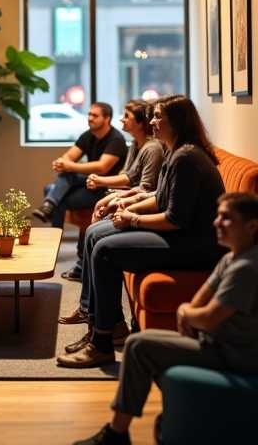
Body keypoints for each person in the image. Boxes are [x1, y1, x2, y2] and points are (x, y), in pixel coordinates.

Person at [72, 191, 258, 445]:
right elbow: (197, 305)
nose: (216, 222)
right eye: (218, 216)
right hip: (215, 343)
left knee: (139, 346)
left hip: (235, 355)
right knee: (145, 346)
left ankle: (117, 434)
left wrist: (187, 314)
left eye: (226, 218)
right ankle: (175, 416)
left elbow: (208, 318)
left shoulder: (247, 267)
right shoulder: (231, 257)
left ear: (251, 226)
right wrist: (188, 313)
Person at [57, 96, 225, 369]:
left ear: (178, 122)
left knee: (105, 250)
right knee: (95, 232)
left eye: (159, 117)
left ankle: (101, 344)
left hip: (195, 246)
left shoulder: (187, 157)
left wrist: (133, 220)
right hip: (181, 236)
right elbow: (160, 197)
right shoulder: (176, 150)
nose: (153, 122)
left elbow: (174, 219)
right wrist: (125, 204)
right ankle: (109, 326)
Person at [60, 100, 167, 287]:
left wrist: (110, 191)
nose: (122, 119)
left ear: (140, 123)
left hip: (139, 202)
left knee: (91, 226)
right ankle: (82, 270)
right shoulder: (135, 144)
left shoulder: (153, 148)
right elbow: (128, 175)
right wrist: (108, 188)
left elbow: (146, 188)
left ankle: (81, 267)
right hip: (128, 194)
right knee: (64, 185)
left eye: (127, 116)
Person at [31, 102, 128, 235]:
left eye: (95, 115)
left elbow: (102, 168)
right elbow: (69, 156)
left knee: (55, 194)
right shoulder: (88, 135)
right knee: (60, 181)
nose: (90, 118)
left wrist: (70, 166)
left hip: (104, 188)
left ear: (107, 119)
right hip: (88, 183)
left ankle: (50, 218)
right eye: (89, 114)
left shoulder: (116, 139)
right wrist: (61, 163)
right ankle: (49, 206)